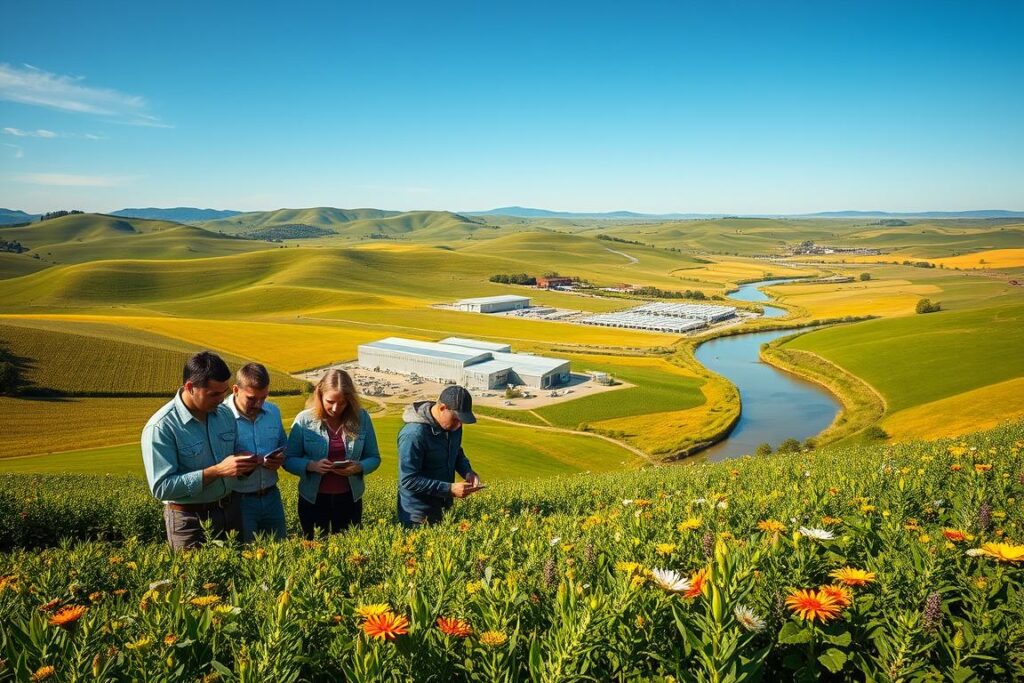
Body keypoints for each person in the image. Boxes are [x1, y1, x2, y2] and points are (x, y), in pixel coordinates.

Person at [142, 351, 257, 549]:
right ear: (190, 387)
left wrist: (244, 464)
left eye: (225, 392)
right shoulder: (162, 427)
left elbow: (234, 456)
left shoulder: (225, 414)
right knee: (196, 578)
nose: (222, 399)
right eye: (214, 394)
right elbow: (161, 487)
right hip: (189, 521)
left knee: (236, 578)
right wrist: (217, 471)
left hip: (230, 511)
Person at [283, 369, 381, 538]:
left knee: (348, 550)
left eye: (342, 403)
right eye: (330, 401)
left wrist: (359, 467)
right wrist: (311, 466)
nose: (336, 408)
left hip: (349, 499)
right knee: (313, 548)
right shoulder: (304, 420)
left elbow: (374, 457)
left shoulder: (362, 418)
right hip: (313, 499)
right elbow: (288, 459)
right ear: (319, 395)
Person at [397, 385, 484, 528]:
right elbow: (408, 480)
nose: (459, 424)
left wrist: (467, 472)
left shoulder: (453, 426)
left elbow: (456, 452)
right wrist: (449, 489)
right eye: (456, 419)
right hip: (417, 513)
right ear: (442, 408)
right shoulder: (413, 435)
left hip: (443, 505)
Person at [225, 362, 288, 542]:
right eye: (252, 399)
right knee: (247, 557)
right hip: (238, 500)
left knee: (280, 554)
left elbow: (283, 444)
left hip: (272, 496)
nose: (259, 404)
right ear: (236, 389)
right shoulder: (220, 416)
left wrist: (280, 458)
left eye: (264, 397)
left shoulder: (273, 411)